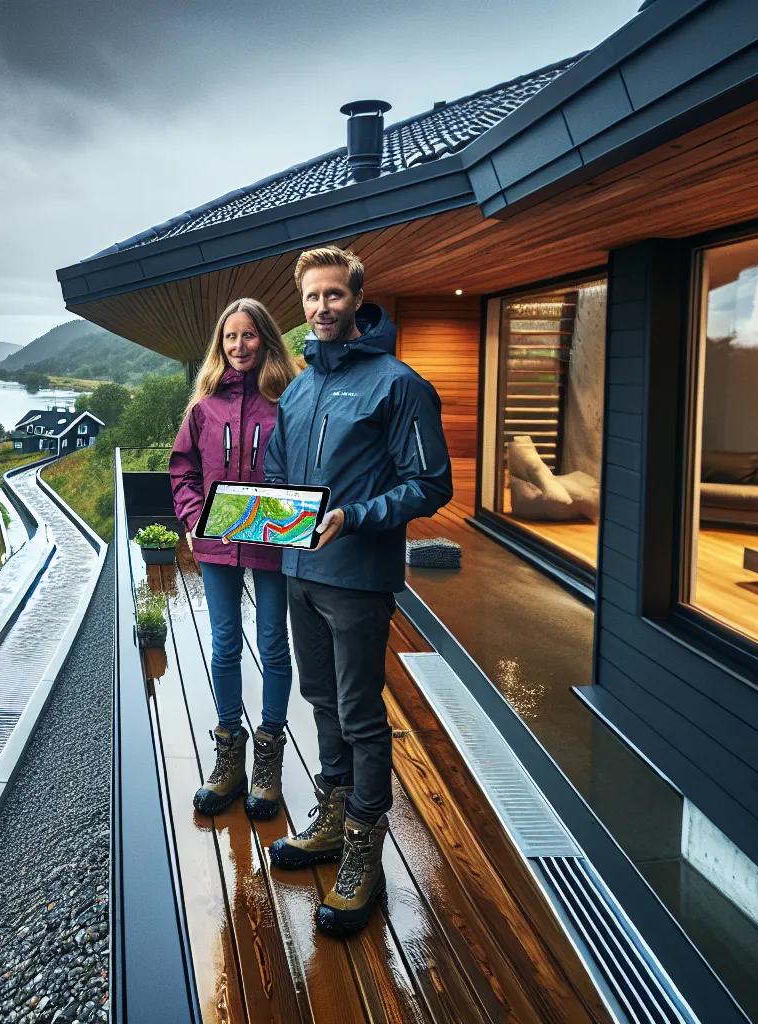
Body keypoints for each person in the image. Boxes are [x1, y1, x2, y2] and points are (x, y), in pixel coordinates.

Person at [263, 246, 452, 935]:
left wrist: (355, 516)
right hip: (299, 576)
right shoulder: (301, 388)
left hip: (358, 578)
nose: (322, 308)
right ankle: (335, 821)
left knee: (361, 714)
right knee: (320, 703)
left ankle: (365, 855)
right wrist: (256, 512)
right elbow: (282, 477)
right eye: (312, 298)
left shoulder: (398, 384)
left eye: (334, 296)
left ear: (357, 298)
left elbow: (432, 485)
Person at [169, 297, 304, 820]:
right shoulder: (204, 408)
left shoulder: (289, 401)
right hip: (217, 543)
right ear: (220, 345)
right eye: (231, 337)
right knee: (224, 643)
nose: (239, 346)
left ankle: (268, 761)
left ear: (266, 340)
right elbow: (182, 469)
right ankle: (229, 759)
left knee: (273, 643)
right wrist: (193, 517)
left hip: (273, 537)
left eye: (249, 336)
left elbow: (306, 469)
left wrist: (298, 515)